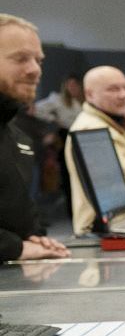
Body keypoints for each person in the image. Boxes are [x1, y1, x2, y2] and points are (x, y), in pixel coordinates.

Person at [0, 16, 69, 263]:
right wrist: (14, 248)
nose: (35, 70)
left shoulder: (18, 138)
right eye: (21, 59)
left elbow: (19, 218)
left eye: (38, 60)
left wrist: (33, 237)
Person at [64, 65, 125, 234]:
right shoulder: (90, 129)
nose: (123, 95)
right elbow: (121, 183)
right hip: (102, 231)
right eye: (113, 89)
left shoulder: (116, 123)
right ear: (89, 95)